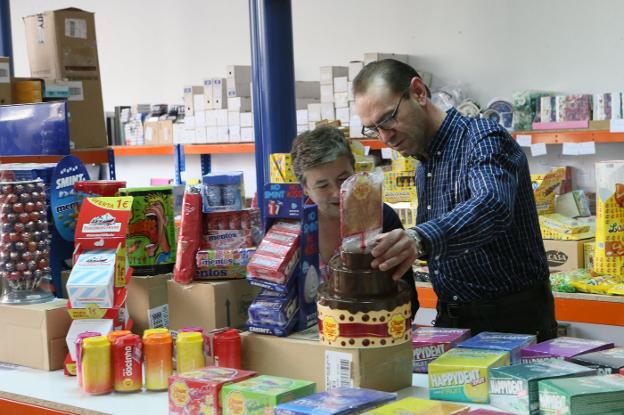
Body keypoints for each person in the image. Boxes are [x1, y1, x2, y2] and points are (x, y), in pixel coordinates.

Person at [353, 59, 557, 341]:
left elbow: (491, 206)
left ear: (419, 92)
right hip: (453, 315)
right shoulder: (424, 164)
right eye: (373, 128)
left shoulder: (483, 138)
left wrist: (417, 239)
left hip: (511, 320)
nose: (385, 137)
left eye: (388, 119)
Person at [290, 126, 419, 319]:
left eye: (344, 178)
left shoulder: (381, 217)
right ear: (305, 188)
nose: (337, 192)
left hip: (374, 335)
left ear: (355, 170)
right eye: (322, 185)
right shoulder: (291, 227)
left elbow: (408, 300)